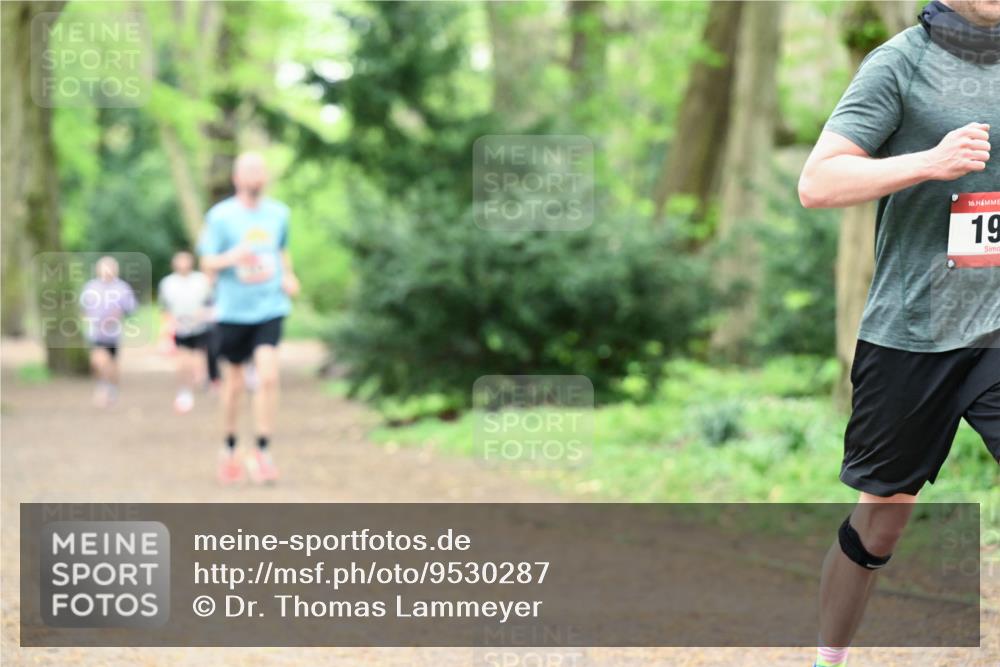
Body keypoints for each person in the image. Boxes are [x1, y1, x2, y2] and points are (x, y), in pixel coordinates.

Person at [798, 1, 999, 665]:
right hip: (916, 327)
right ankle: (828, 655)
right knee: (882, 515)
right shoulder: (900, 63)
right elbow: (818, 182)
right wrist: (928, 161)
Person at [198, 152, 300, 484]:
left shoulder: (279, 214)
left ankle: (263, 450)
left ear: (266, 177)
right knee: (235, 384)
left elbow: (282, 250)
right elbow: (207, 263)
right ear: (236, 178)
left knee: (268, 376)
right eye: (249, 171)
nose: (255, 176)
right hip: (233, 311)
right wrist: (232, 257)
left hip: (270, 306)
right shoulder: (221, 217)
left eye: (260, 170)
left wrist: (288, 275)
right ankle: (229, 448)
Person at [158, 251, 213, 413]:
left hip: (200, 326)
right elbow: (164, 307)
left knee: (199, 358)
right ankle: (184, 389)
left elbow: (210, 301)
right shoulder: (167, 283)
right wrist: (168, 325)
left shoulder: (201, 280)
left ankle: (201, 380)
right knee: (183, 359)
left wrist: (204, 314)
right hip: (180, 328)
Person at [80, 256, 137, 409]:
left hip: (113, 334)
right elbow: (83, 308)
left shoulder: (122, 288)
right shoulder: (90, 287)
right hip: (95, 332)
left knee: (112, 363)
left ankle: (112, 388)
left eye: (110, 268)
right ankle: (102, 386)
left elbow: (131, 308)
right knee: (98, 360)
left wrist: (117, 314)